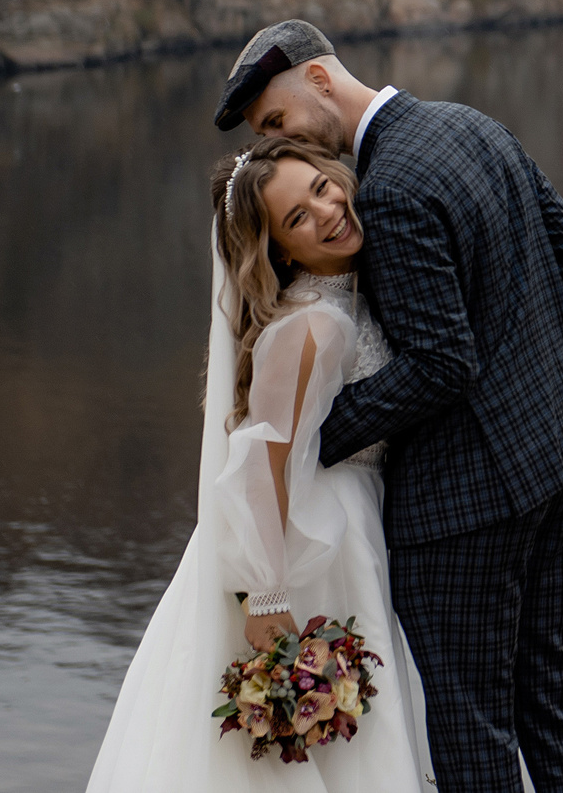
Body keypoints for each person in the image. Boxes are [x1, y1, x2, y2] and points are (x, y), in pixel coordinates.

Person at [214, 19, 563, 793]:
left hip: (462, 503)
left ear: (319, 81)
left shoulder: (388, 190)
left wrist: (321, 434)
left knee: (472, 729)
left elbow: (440, 361)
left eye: (276, 120)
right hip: (554, 452)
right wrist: (509, 357)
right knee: (551, 698)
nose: (276, 140)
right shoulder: (470, 123)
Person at [86, 133, 436, 793]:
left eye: (322, 187)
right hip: (309, 544)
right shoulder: (312, 326)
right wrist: (267, 594)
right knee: (311, 744)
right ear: (280, 248)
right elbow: (260, 461)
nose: (328, 210)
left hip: (336, 522)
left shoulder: (342, 294)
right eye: (298, 217)